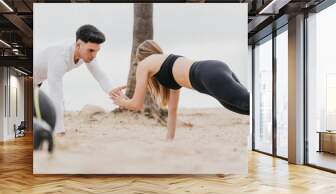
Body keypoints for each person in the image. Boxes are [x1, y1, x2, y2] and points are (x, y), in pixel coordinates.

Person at [110, 40, 250, 140]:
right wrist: (169, 141)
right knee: (247, 108)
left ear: (140, 57)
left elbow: (136, 104)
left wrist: (120, 101)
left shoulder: (144, 64)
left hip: (209, 76)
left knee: (248, 103)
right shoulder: (169, 69)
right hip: (213, 69)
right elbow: (172, 111)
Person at [34, 24, 123, 135]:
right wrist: (59, 131)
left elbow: (100, 75)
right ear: (78, 45)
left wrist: (114, 93)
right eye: (91, 50)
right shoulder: (59, 56)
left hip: (38, 81)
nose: (94, 55)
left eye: (97, 51)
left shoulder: (86, 54)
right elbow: (56, 95)